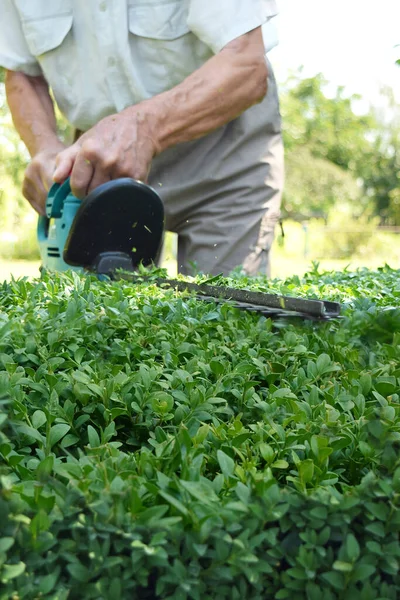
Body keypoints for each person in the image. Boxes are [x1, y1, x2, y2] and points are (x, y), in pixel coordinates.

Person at [0, 0, 283, 276]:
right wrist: (45, 147)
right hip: (100, 162)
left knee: (228, 310)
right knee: (101, 314)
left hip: (222, 148)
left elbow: (246, 65)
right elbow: (22, 73)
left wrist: (143, 129)